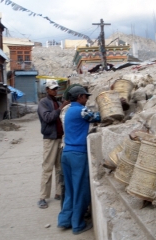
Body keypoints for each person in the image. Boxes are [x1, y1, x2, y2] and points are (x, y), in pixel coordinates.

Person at [57, 86, 101, 235]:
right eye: (86, 96)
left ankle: (65, 220)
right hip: (78, 155)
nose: (87, 99)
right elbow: (98, 117)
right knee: (81, 189)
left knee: (70, 190)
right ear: (80, 96)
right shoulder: (81, 110)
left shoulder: (69, 110)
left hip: (67, 153)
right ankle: (77, 224)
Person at [37, 80, 69, 209]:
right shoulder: (43, 103)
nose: (55, 91)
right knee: (48, 167)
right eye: (53, 89)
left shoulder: (57, 102)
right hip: (50, 139)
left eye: (56, 89)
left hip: (59, 138)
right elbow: (48, 118)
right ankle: (42, 197)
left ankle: (58, 193)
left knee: (59, 167)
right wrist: (61, 108)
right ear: (47, 90)